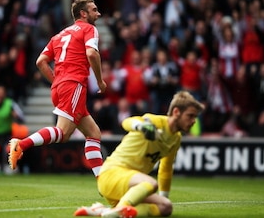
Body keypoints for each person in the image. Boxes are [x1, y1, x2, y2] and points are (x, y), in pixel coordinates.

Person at [8, 0, 107, 177]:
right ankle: (21, 145)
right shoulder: (89, 29)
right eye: (94, 10)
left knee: (94, 133)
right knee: (63, 133)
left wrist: (57, 81)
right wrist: (100, 80)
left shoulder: (59, 35)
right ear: (83, 14)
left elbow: (40, 62)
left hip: (60, 87)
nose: (98, 14)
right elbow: (92, 53)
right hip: (74, 85)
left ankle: (102, 180)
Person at [74, 91, 204, 218]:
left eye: (195, 117)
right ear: (176, 112)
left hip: (129, 187)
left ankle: (102, 211)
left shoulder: (176, 138)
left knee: (166, 207)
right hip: (112, 174)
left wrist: (162, 198)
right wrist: (141, 126)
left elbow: (166, 169)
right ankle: (121, 209)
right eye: (190, 116)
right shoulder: (155, 122)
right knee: (151, 184)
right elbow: (127, 122)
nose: (193, 121)